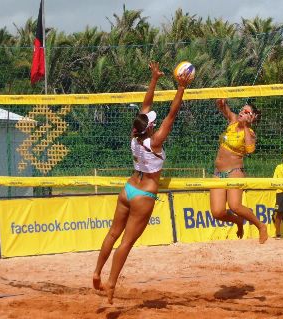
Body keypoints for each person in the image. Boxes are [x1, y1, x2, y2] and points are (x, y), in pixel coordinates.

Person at [93, 61, 191, 304]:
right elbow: (172, 113)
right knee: (126, 242)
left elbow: (146, 106)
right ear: (150, 127)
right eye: (153, 122)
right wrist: (181, 87)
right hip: (144, 194)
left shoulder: (135, 135)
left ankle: (96, 273)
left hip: (128, 189)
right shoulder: (155, 140)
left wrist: (155, 78)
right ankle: (112, 286)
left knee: (113, 233)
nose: (155, 122)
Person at [210, 98, 268, 244]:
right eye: (243, 109)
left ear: (252, 118)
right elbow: (223, 107)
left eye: (247, 111)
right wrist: (222, 102)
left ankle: (261, 226)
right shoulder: (233, 120)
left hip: (234, 171)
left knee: (235, 205)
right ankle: (238, 221)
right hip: (218, 173)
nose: (242, 111)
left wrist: (246, 126)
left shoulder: (251, 133)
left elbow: (250, 150)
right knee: (217, 212)